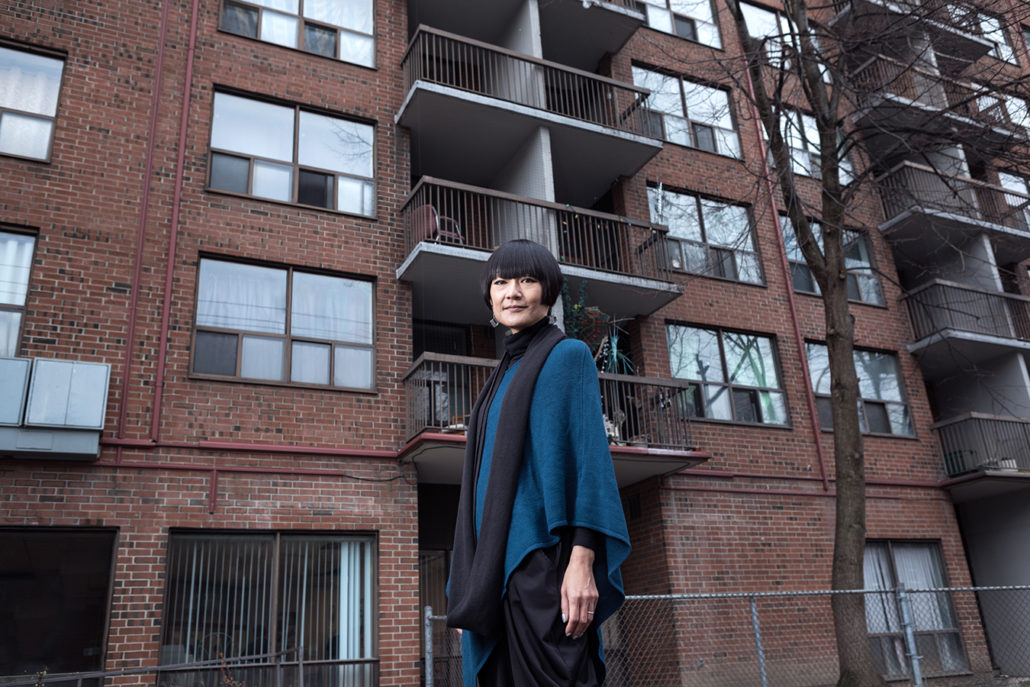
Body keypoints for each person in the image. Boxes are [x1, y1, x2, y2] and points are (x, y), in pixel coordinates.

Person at [447, 239, 631, 686]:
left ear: (547, 292)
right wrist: (468, 585)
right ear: (489, 295)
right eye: (501, 282)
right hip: (493, 573)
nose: (513, 292)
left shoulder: (567, 356)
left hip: (542, 565)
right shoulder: (499, 376)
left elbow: (589, 461)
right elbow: (476, 488)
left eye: (527, 281)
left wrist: (582, 561)